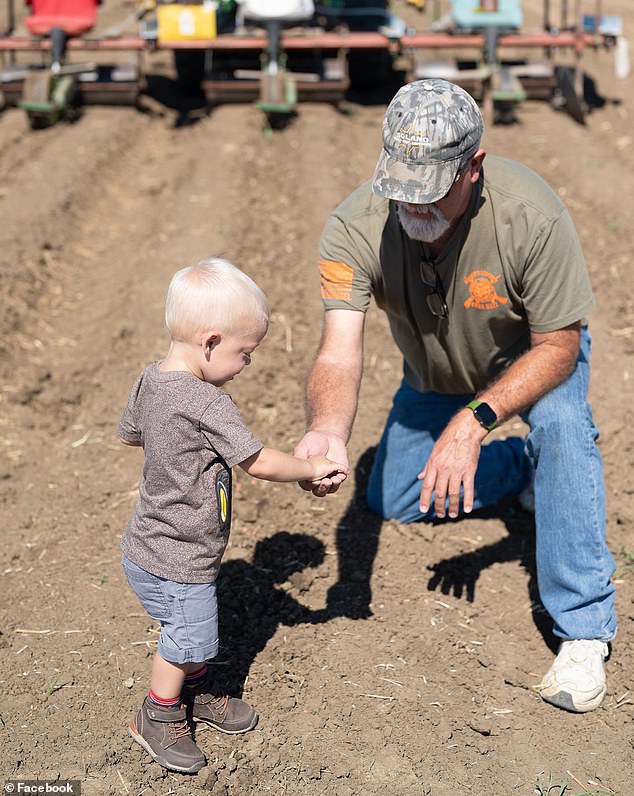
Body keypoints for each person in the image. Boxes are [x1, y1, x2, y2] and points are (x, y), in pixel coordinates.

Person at [294, 79, 616, 713]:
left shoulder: (530, 216)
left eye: (432, 187)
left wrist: (473, 424)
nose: (413, 204)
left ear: (474, 167)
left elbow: (559, 346)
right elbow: (338, 350)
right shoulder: (355, 228)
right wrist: (328, 430)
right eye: (401, 184)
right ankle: (522, 468)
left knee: (564, 431)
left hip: (530, 364)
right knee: (394, 495)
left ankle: (582, 630)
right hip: (435, 377)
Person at [117, 258, 346, 774]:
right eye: (245, 353)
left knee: (191, 629)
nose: (247, 364)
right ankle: (157, 714)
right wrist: (311, 466)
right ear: (211, 342)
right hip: (179, 558)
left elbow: (131, 433)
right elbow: (259, 462)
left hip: (146, 545)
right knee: (190, 636)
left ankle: (194, 694)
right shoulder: (208, 404)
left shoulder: (150, 380)